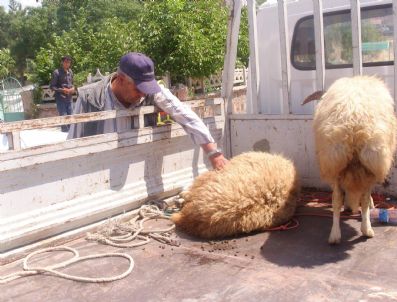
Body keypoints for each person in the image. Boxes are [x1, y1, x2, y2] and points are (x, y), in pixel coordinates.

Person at [68, 52, 228, 170]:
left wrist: (213, 153)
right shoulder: (89, 97)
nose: (144, 94)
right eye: (139, 89)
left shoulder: (150, 92)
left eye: (147, 89)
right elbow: (72, 145)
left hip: (136, 168)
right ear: (121, 80)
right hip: (98, 171)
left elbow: (184, 115)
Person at [50, 55, 75, 132]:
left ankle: (71, 134)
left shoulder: (70, 71)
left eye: (69, 62)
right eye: (66, 62)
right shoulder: (56, 72)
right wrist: (62, 90)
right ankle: (64, 135)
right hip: (61, 99)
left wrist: (73, 88)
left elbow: (73, 83)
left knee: (71, 117)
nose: (67, 64)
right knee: (64, 117)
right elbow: (52, 86)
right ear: (62, 62)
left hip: (69, 98)